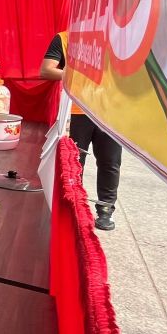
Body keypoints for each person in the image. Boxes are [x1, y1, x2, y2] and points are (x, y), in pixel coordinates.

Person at [40, 31, 121, 231]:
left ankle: (105, 209)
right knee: (75, 162)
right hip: (76, 111)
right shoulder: (65, 38)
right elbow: (46, 70)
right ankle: (74, 206)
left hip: (111, 113)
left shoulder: (119, 40)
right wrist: (82, 75)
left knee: (110, 161)